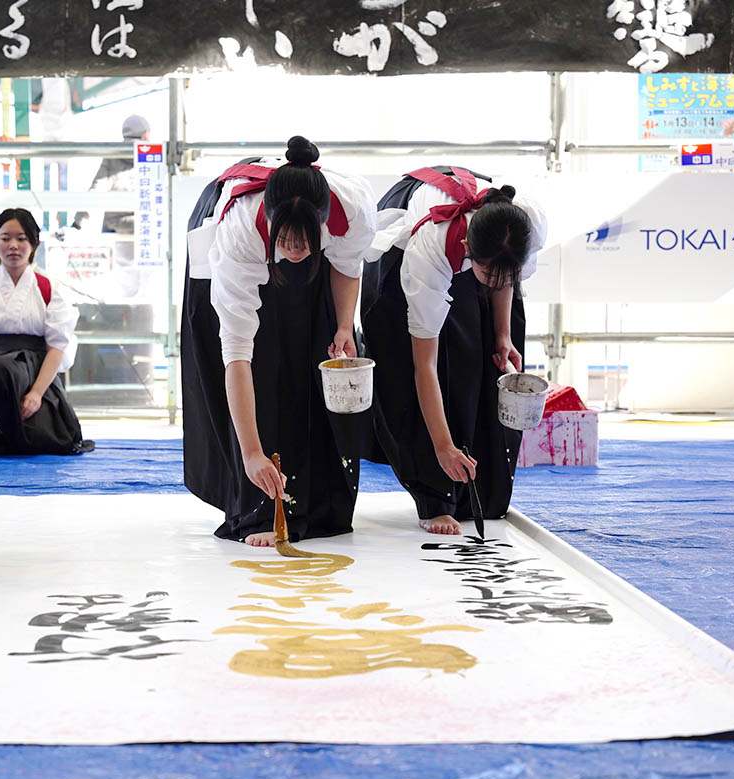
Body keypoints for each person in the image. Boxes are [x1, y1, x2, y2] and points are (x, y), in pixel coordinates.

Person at [182, 135, 377, 546]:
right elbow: (237, 355)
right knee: (264, 364)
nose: (295, 251)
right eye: (286, 242)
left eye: (305, 243)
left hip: (314, 266)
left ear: (323, 226)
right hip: (236, 243)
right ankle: (257, 507)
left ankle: (321, 504)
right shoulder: (239, 233)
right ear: (272, 225)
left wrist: (345, 327)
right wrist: (252, 453)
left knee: (314, 363)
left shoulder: (353, 209)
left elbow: (347, 265)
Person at [360, 165, 547, 535]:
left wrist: (503, 335)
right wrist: (443, 447)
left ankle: (482, 488)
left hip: (488, 238)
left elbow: (503, 276)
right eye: (486, 274)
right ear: (467, 251)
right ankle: (434, 495)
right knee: (432, 361)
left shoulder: (527, 224)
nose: (496, 281)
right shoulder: (427, 252)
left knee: (485, 359)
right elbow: (424, 367)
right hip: (406, 242)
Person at [0, 208, 93, 455]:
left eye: (21, 238)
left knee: (2, 370)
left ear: (34, 244)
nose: (13, 246)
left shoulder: (49, 287)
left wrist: (36, 393)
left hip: (34, 368)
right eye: (5, 238)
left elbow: (56, 348)